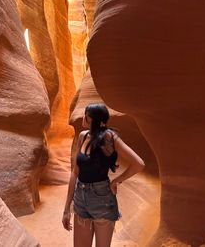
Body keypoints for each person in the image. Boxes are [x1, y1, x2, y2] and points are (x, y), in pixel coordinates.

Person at [62, 103, 145, 247]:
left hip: (102, 199)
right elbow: (75, 173)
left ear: (94, 119)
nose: (83, 117)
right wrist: (66, 209)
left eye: (86, 115)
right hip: (81, 198)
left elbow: (139, 163)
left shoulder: (110, 137)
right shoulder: (83, 136)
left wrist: (116, 181)